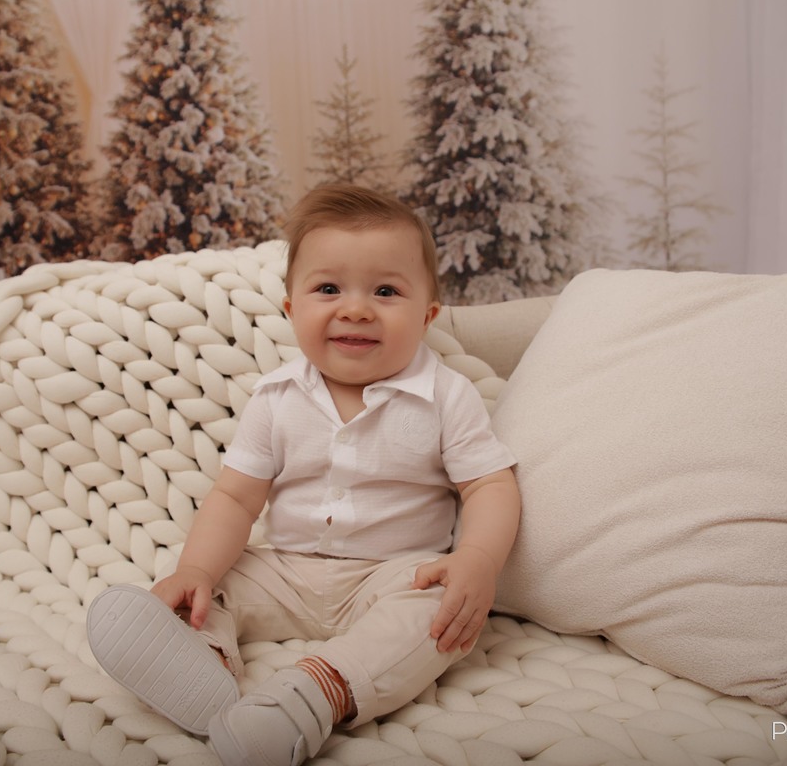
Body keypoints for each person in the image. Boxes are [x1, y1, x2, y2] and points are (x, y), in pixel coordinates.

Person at [87, 184, 521, 766]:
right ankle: (201, 656)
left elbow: (489, 484)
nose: (356, 309)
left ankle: (320, 691)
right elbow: (236, 499)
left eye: (386, 291)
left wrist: (479, 559)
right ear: (292, 310)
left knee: (442, 611)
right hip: (287, 569)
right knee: (214, 581)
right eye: (328, 289)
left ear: (427, 316)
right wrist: (197, 569)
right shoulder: (275, 398)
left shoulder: (446, 395)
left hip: (394, 575)